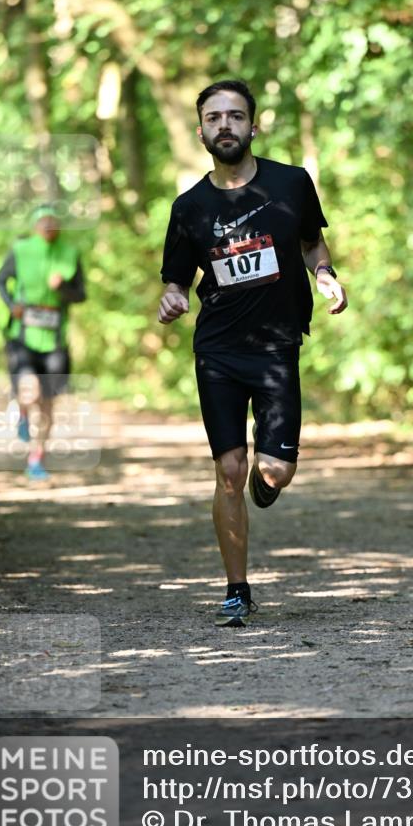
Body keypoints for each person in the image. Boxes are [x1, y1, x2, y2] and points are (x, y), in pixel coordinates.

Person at [158, 79, 348, 628]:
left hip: (276, 347)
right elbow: (175, 280)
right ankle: (236, 589)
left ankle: (269, 481)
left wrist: (325, 275)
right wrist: (172, 299)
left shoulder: (291, 183)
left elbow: (312, 241)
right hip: (217, 349)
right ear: (201, 131)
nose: (225, 125)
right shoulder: (189, 207)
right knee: (228, 471)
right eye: (214, 117)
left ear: (252, 125)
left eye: (235, 116)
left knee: (276, 469)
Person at [0, 205, 86, 481]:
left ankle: (36, 458)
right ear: (35, 225)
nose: (48, 226)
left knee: (48, 403)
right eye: (43, 222)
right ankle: (22, 414)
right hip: (23, 336)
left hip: (55, 339)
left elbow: (81, 295)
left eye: (53, 222)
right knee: (29, 392)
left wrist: (62, 288)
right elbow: (1, 280)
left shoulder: (70, 254)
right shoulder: (21, 250)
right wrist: (13, 305)